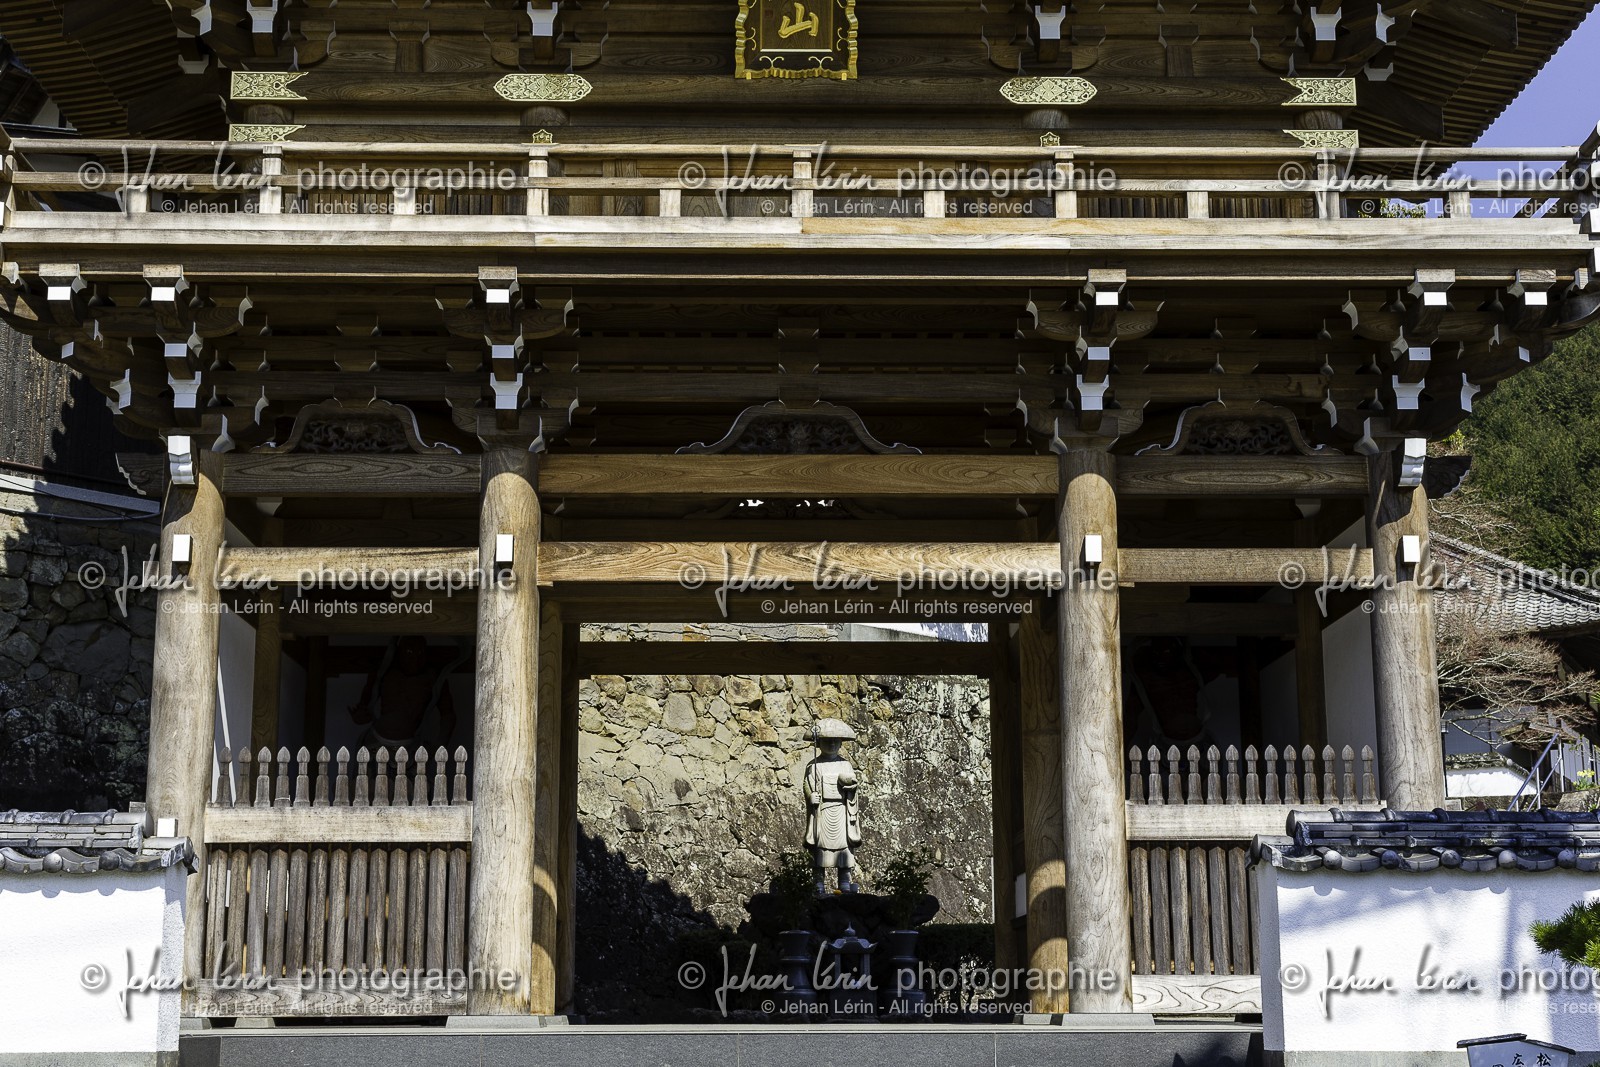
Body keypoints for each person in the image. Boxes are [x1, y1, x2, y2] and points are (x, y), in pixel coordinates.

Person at [349, 635, 457, 750]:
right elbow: (364, 706)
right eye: (409, 652)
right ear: (399, 652)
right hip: (376, 737)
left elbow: (448, 715)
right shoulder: (383, 671)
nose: (415, 658)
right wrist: (360, 715)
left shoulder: (434, 677)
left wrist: (439, 745)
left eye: (420, 653)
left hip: (410, 742)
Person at [803, 718, 862, 894]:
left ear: (841, 743)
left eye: (836, 741)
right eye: (827, 741)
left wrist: (851, 789)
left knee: (845, 847)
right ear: (819, 742)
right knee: (820, 847)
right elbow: (808, 784)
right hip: (823, 811)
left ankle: (844, 881)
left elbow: (853, 785)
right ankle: (818, 883)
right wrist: (810, 796)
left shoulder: (845, 764)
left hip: (842, 810)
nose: (832, 744)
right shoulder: (814, 765)